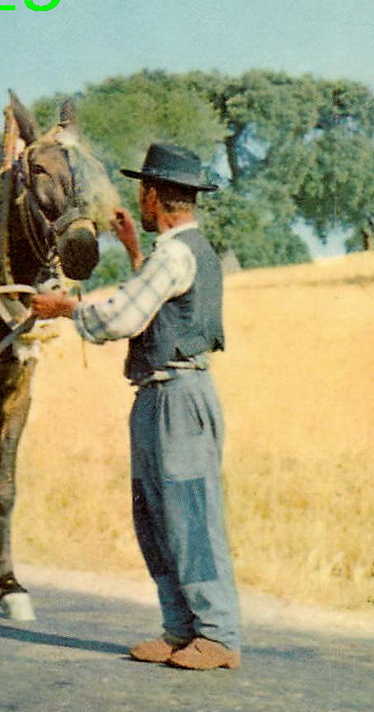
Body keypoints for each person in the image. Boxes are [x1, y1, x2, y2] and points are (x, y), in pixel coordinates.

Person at [31, 143, 241, 672]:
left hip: (177, 398)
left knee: (188, 515)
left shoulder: (175, 253)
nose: (137, 201)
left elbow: (125, 316)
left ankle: (216, 635)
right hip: (162, 394)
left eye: (141, 192)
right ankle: (180, 630)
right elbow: (155, 297)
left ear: (153, 196)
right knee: (156, 516)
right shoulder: (177, 252)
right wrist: (130, 249)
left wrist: (65, 308)